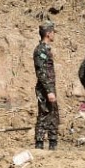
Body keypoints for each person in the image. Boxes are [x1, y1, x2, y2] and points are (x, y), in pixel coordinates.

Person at [33, 22, 59, 150]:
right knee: (44, 114)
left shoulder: (46, 49)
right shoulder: (40, 50)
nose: (54, 35)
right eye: (53, 32)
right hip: (45, 88)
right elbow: (41, 72)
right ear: (48, 34)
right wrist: (49, 90)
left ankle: (53, 142)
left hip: (49, 87)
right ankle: (39, 143)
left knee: (53, 114)